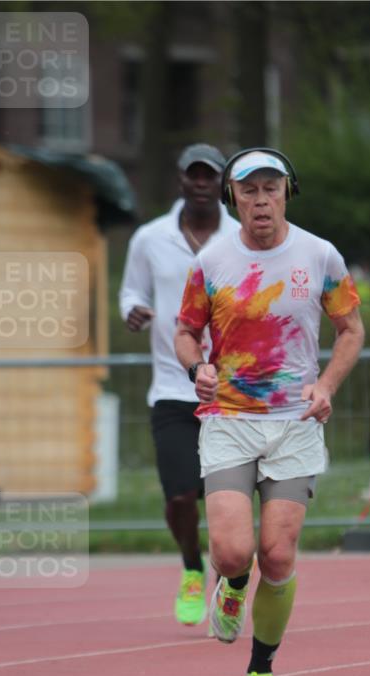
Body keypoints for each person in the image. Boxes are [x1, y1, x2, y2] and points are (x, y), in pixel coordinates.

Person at [175, 148, 365, 676]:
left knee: (278, 556)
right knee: (233, 552)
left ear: (288, 192)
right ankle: (232, 584)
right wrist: (197, 367)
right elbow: (185, 331)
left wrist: (326, 385)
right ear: (233, 197)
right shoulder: (212, 260)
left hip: (294, 424)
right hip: (230, 420)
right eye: (249, 190)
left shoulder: (320, 255)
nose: (261, 201)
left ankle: (260, 674)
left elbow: (351, 329)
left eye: (271, 189)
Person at [119, 144, 239, 626]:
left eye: (211, 176)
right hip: (172, 387)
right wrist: (132, 309)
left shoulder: (242, 237)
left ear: (223, 183)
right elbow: (131, 290)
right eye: (194, 175)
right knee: (180, 497)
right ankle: (192, 567)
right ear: (181, 179)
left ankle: (230, 575)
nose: (202, 183)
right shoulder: (150, 238)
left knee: (226, 501)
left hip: (232, 391)